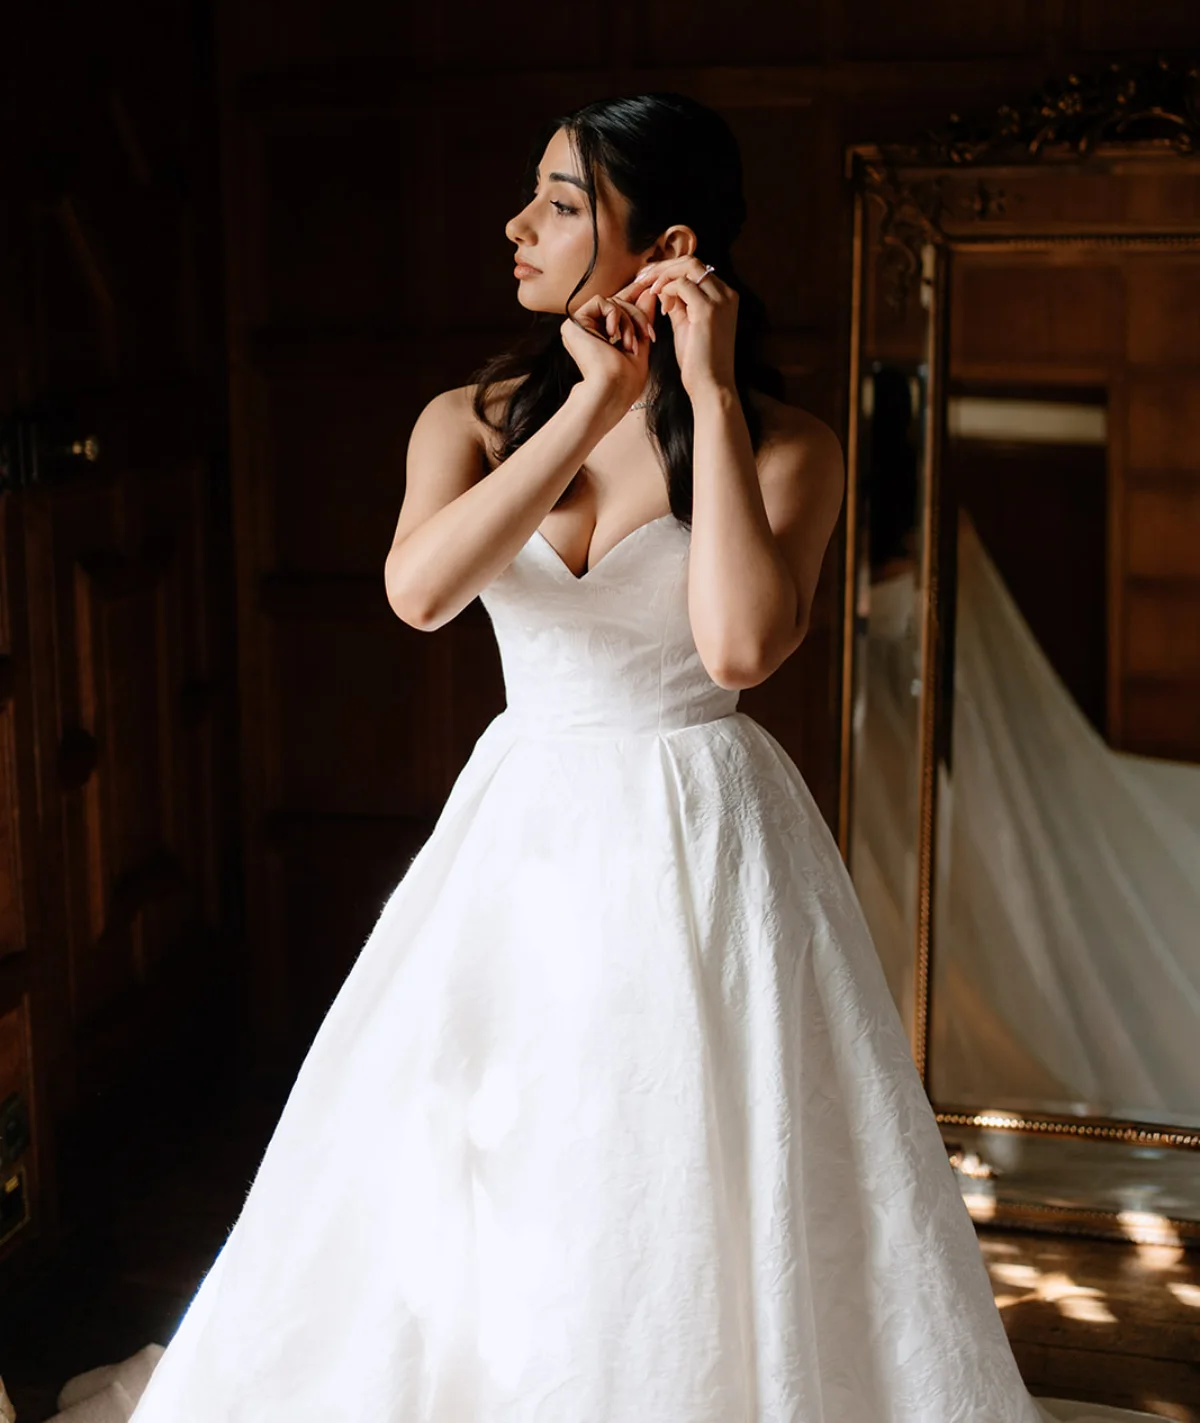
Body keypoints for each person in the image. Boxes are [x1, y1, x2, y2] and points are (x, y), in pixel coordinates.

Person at [53, 93, 1155, 1421]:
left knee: (675, 1152)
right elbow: (420, 591)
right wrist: (587, 409)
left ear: (668, 240)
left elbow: (743, 646)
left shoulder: (791, 444)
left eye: (564, 203)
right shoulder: (460, 417)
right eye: (534, 195)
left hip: (703, 822)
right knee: (493, 1135)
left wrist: (701, 392)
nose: (519, 224)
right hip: (523, 821)